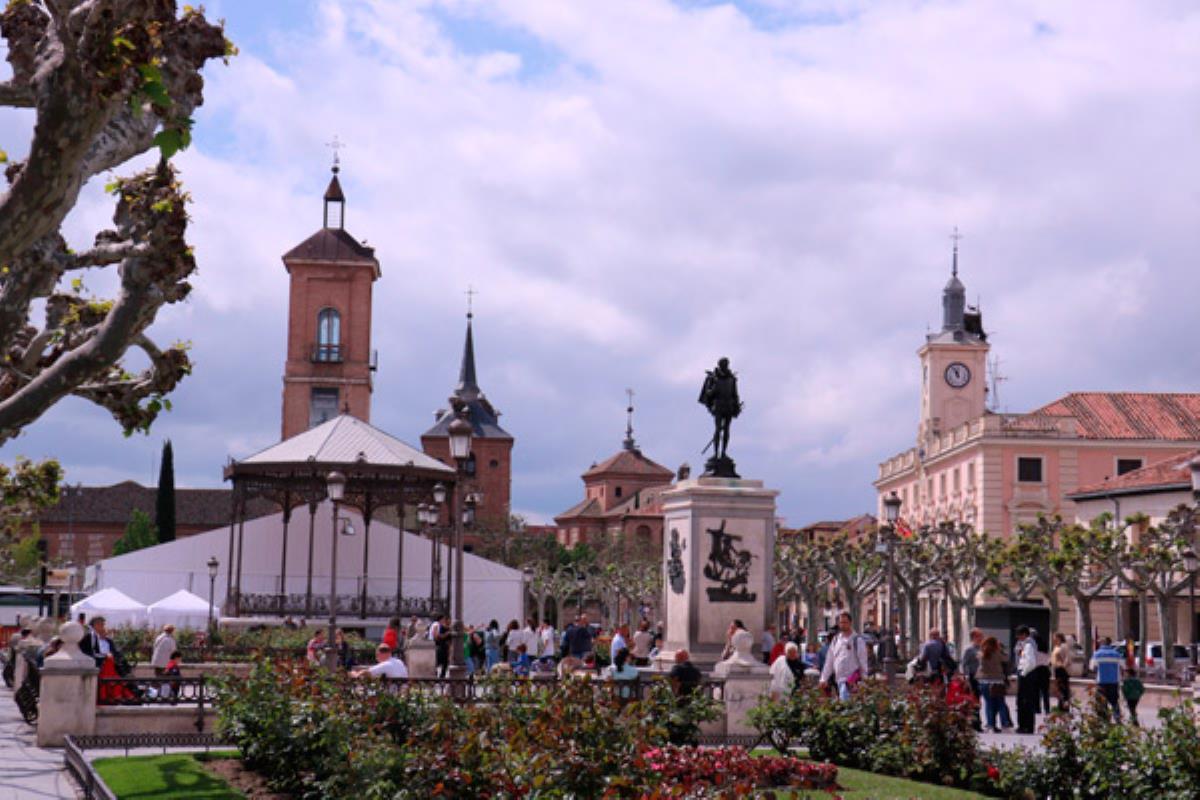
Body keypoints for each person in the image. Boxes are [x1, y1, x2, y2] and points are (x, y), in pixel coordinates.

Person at [819, 612, 870, 700]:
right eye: (841, 622)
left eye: (845, 622)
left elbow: (863, 661)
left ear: (850, 623)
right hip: (838, 680)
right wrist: (824, 678)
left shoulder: (857, 640)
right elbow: (829, 661)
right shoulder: (835, 640)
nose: (842, 625)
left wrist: (864, 681)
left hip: (852, 681)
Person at [977, 636, 1013, 732]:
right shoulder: (998, 654)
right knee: (1001, 703)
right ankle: (1005, 724)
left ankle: (990, 724)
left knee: (988, 703)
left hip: (984, 681)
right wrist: (1000, 649)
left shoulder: (981, 654)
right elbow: (1006, 659)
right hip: (997, 681)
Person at [1090, 637, 1124, 722]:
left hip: (1101, 682)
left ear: (1102, 643)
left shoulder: (1097, 654)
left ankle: (1104, 720)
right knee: (1114, 702)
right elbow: (1123, 666)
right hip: (1114, 682)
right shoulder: (1116, 654)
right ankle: (1117, 719)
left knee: (1101, 703)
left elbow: (1092, 668)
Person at [1014, 626, 1039, 733]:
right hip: (1026, 674)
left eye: (1019, 635)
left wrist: (1023, 673)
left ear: (1024, 634)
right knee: (1025, 701)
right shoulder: (1025, 644)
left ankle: (1025, 725)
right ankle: (1025, 725)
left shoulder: (1028, 645)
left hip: (1026, 674)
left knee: (1024, 701)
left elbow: (1030, 662)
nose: (1018, 637)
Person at [960, 628, 984, 730]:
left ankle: (976, 722)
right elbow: (964, 664)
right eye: (979, 636)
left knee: (977, 700)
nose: (981, 638)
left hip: (980, 677)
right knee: (973, 700)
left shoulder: (981, 648)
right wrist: (965, 677)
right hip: (972, 677)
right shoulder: (969, 649)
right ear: (974, 637)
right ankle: (974, 723)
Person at [1031, 629, 1052, 714]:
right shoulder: (1045, 649)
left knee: (1036, 691)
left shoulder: (1033, 649)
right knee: (1045, 692)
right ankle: (1047, 709)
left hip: (1036, 670)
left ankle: (1037, 709)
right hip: (1045, 670)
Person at [1050, 632, 1072, 711]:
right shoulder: (1056, 647)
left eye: (1055, 637)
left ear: (1059, 638)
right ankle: (1060, 705)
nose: (1053, 639)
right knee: (1058, 688)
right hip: (1057, 669)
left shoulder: (1064, 646)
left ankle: (1064, 706)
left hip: (1062, 670)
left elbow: (1067, 658)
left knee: (1063, 688)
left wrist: (1063, 666)